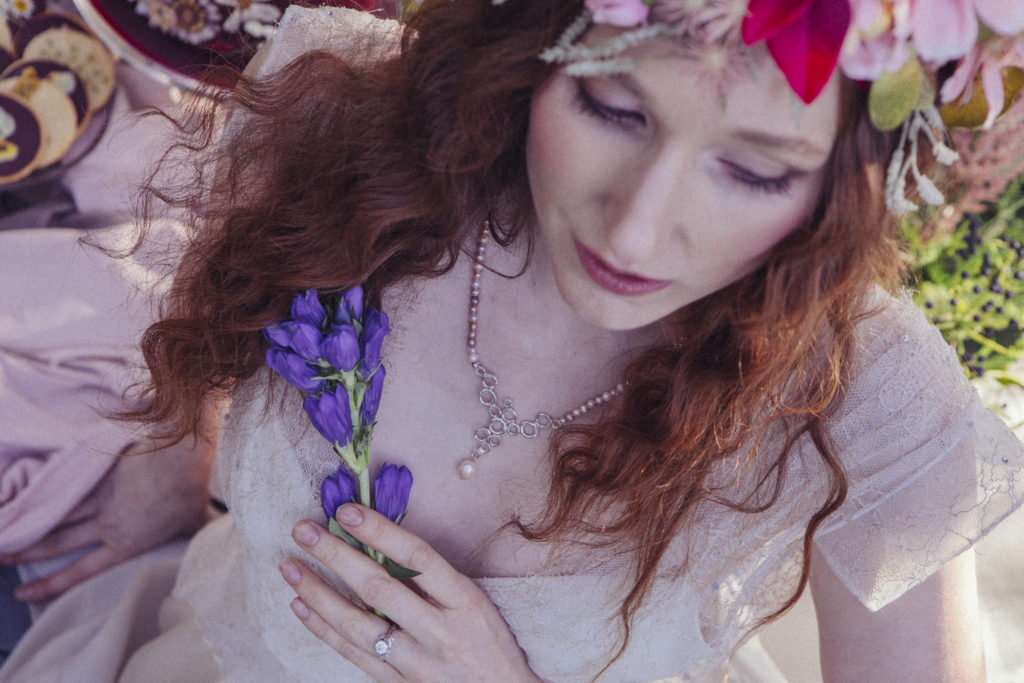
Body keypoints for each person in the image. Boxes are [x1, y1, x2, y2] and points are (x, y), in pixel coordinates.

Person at [2, 1, 1024, 681]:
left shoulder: (875, 403)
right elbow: (233, 307)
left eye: (753, 173)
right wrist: (189, 439)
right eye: (610, 107)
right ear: (531, 57)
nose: (634, 230)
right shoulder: (346, 130)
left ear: (844, 185)